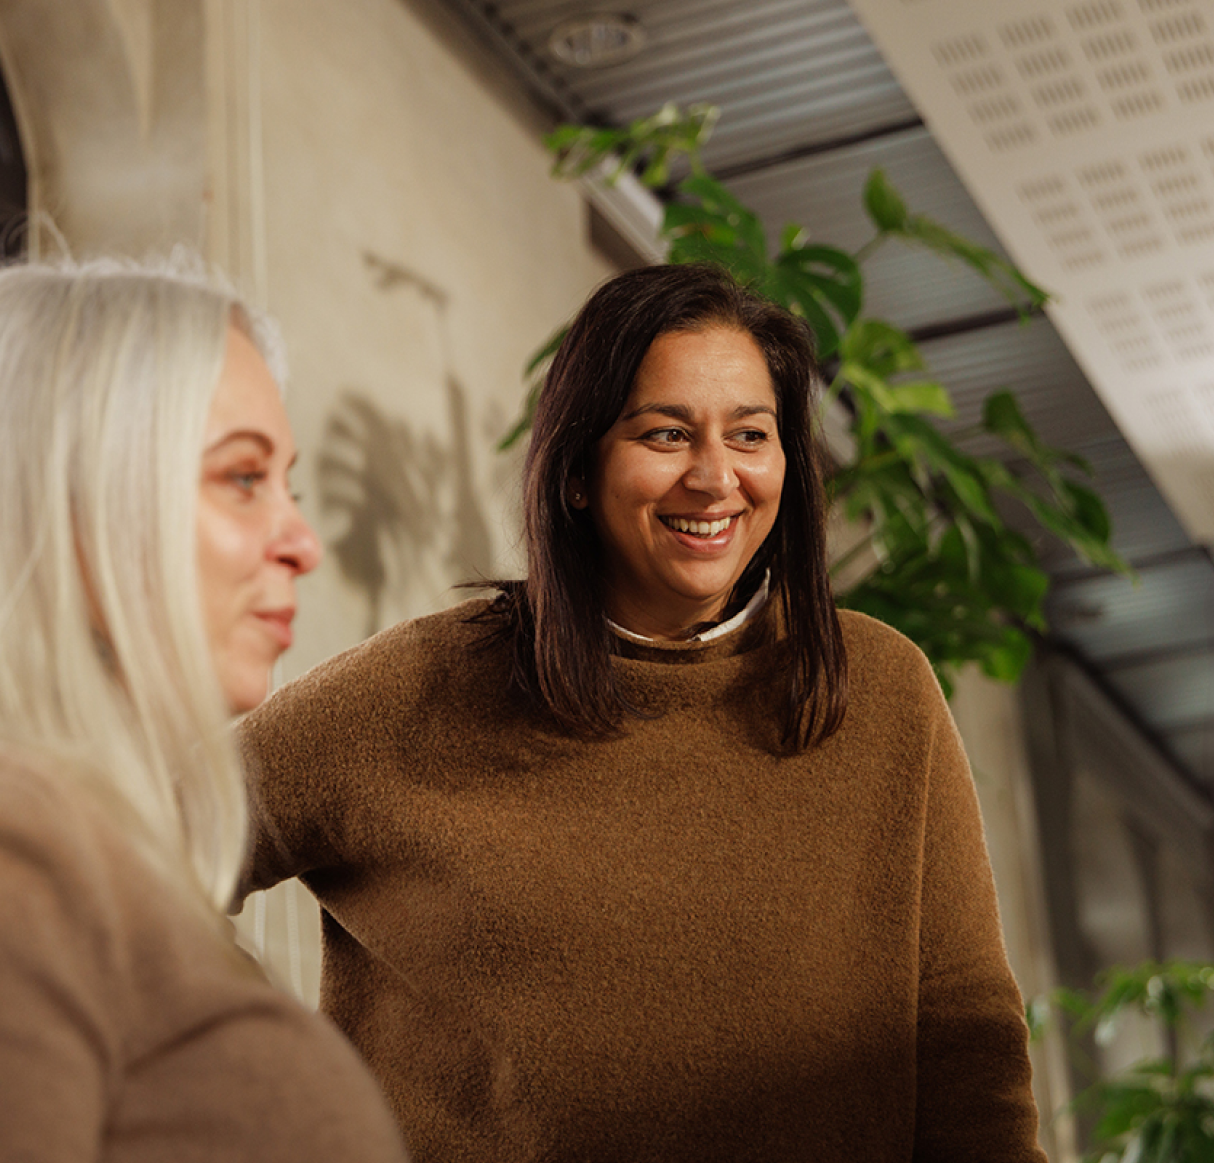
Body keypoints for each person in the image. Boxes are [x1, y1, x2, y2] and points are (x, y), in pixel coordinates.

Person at [239, 263, 1048, 1162]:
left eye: (751, 434)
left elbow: (965, 1035)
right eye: (665, 434)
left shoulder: (880, 688)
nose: (714, 477)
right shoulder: (422, 687)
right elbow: (129, 836)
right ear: (579, 470)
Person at [0, 260, 408, 1163]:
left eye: (288, 483)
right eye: (243, 478)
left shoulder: (63, 842)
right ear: (60, 501)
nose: (302, 543)